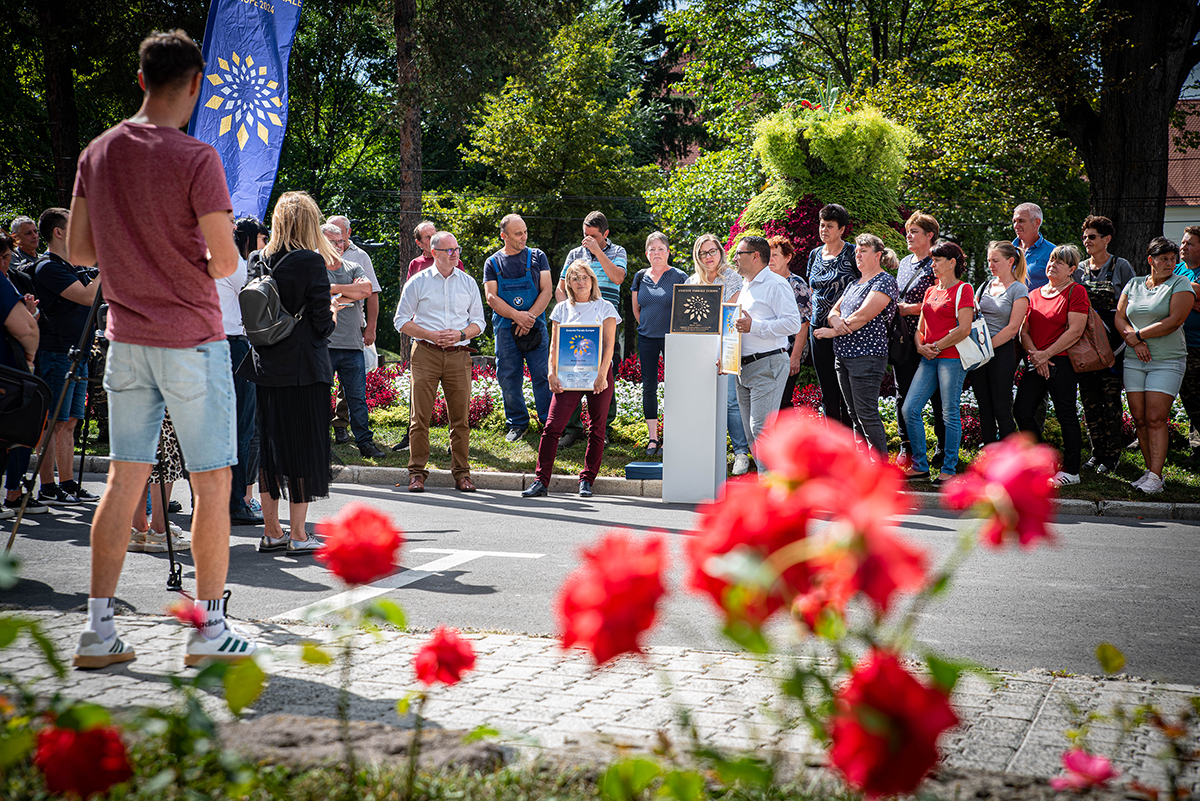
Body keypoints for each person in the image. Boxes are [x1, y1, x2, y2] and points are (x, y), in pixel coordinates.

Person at [68, 29, 264, 667]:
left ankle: (98, 629)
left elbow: (80, 250)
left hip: (125, 339)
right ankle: (208, 630)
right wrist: (184, 262)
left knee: (123, 478)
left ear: (142, 80)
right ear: (197, 84)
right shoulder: (197, 158)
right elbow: (227, 259)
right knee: (212, 480)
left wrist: (135, 258)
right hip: (192, 341)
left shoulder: (98, 152)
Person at [238, 192, 338, 551]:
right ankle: (298, 534)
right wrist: (333, 311)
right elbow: (322, 325)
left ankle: (271, 531)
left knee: (271, 450)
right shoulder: (310, 261)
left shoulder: (257, 258)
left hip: (266, 365)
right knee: (302, 449)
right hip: (304, 369)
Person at [394, 230, 485, 493]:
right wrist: (430, 335)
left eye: (457, 249)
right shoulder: (418, 282)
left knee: (460, 419)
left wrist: (461, 334)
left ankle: (462, 474)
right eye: (449, 250)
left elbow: (479, 323)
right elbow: (400, 321)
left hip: (459, 354)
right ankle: (416, 473)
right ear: (434, 252)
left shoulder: (468, 282)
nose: (455, 254)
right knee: (419, 418)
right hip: (426, 353)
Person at [522, 261, 618, 498]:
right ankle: (541, 480)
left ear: (592, 280)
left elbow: (609, 346)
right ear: (569, 284)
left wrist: (602, 375)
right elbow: (554, 345)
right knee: (552, 427)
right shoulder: (561, 309)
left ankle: (587, 480)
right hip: (568, 376)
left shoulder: (605, 307)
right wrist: (551, 372)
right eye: (575, 278)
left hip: (598, 376)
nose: (580, 282)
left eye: (584, 277)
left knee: (597, 428)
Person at [33, 207, 101, 506]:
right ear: (58, 232)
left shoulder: (72, 266)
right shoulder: (48, 267)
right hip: (57, 351)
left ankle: (67, 483)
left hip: (78, 351)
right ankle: (48, 486)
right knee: (53, 421)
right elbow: (87, 296)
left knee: (70, 421)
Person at [1115, 237, 1194, 494]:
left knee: (1155, 417)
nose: (1170, 263)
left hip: (1167, 360)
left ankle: (1156, 475)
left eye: (1173, 259)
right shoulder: (1134, 283)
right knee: (1139, 418)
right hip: (1134, 359)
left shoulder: (1180, 283)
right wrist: (1135, 342)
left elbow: (1174, 320)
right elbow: (1120, 317)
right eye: (1163, 259)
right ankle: (1151, 474)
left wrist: (1138, 336)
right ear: (1151, 260)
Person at [813, 233, 898, 457]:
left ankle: (880, 468)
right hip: (843, 356)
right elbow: (833, 311)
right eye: (857, 251)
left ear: (877, 255)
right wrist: (835, 320)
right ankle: (862, 467)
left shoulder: (884, 281)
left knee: (866, 414)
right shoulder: (853, 283)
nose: (857, 255)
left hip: (867, 356)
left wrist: (833, 331)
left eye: (863, 251)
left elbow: (862, 316)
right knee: (853, 414)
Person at [1014, 245, 1090, 486]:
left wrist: (1046, 355)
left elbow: (1075, 331)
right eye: (1051, 260)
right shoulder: (1034, 294)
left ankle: (1071, 471)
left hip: (1063, 362)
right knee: (1021, 411)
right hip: (1037, 360)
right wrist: (1037, 356)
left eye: (1060, 262)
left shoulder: (1076, 292)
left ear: (1072, 269)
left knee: (1065, 414)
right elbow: (1023, 331)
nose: (1052, 265)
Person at [901, 241, 974, 484]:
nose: (932, 264)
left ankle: (949, 469)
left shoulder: (964, 289)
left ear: (952, 263)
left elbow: (964, 329)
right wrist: (921, 346)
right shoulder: (930, 291)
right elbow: (920, 328)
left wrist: (936, 347)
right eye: (932, 260)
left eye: (937, 260)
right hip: (929, 358)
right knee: (909, 409)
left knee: (949, 413)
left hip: (951, 359)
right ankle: (920, 467)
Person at [557, 211, 626, 446]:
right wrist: (566, 312)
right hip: (577, 324)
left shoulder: (618, 252)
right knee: (572, 372)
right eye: (585, 234)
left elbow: (618, 278)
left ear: (605, 234)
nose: (587, 240)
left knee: (605, 373)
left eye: (593, 236)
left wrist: (597, 252)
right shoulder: (575, 254)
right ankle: (572, 429)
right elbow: (561, 288)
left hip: (605, 323)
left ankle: (602, 429)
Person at [686, 233, 751, 474]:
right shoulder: (692, 282)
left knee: (731, 402)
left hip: (727, 344)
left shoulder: (732, 278)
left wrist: (724, 349)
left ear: (720, 252)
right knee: (702, 401)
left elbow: (730, 315)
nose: (708, 257)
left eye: (712, 251)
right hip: (699, 349)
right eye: (703, 253)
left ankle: (740, 453)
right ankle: (706, 453)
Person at [730, 235, 802, 452]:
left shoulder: (776, 284)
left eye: (739, 254)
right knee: (752, 434)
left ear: (755, 256)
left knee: (761, 430)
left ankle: (772, 475)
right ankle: (768, 474)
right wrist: (726, 356)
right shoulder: (745, 285)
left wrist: (755, 326)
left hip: (767, 365)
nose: (734, 258)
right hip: (742, 368)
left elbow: (793, 324)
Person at [484, 214, 552, 443]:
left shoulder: (538, 257)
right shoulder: (492, 263)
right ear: (503, 236)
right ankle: (517, 423)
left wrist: (529, 318)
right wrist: (517, 316)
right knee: (508, 377)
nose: (524, 237)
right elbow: (491, 297)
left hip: (535, 326)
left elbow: (547, 290)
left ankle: (548, 422)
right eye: (518, 234)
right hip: (506, 329)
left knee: (542, 375)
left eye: (525, 232)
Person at [320, 223, 386, 458]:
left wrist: (332, 290)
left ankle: (365, 443)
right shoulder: (315, 268)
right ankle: (320, 444)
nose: (340, 245)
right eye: (333, 242)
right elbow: (315, 295)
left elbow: (366, 290)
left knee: (357, 398)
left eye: (341, 241)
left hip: (352, 344)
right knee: (320, 398)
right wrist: (351, 292)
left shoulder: (354, 266)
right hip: (324, 344)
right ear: (321, 242)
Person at [1076, 215, 1135, 473]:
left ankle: (1112, 456)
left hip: (1113, 348)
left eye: (1092, 237)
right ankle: (1096, 453)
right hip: (1086, 347)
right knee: (1089, 402)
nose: (1086, 241)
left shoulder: (1121, 266)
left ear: (1107, 239)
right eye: (1084, 237)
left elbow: (1132, 302)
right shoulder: (1079, 270)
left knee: (1110, 402)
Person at [220, 217, 263, 526]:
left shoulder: (209, 257)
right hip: (233, 346)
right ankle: (236, 503)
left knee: (219, 430)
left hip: (211, 345)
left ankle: (210, 502)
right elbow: (258, 298)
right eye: (262, 240)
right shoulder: (235, 263)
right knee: (241, 429)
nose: (265, 247)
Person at [894, 211, 945, 465]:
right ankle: (907, 445)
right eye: (908, 232)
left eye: (914, 232)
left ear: (929, 236)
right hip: (903, 339)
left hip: (930, 338)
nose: (908, 236)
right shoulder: (905, 263)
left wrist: (911, 309)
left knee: (937, 395)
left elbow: (943, 298)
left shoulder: (937, 262)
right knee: (902, 392)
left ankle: (942, 446)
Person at [631, 232, 688, 456]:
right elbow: (637, 310)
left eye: (660, 249)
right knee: (649, 386)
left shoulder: (679, 276)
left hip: (672, 339)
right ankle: (653, 438)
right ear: (646, 253)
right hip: (646, 338)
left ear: (668, 252)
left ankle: (671, 436)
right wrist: (648, 326)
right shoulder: (639, 277)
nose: (656, 253)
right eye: (652, 249)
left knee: (674, 386)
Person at [0, 232, 43, 520]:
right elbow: (26, 330)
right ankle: (13, 492)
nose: (6, 264)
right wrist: (28, 361)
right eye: (3, 258)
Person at [971, 242, 1030, 445]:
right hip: (980, 352)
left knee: (1002, 406)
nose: (991, 265)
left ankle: (1009, 453)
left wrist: (986, 348)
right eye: (989, 260)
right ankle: (989, 451)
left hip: (1001, 352)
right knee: (984, 406)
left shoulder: (1018, 289)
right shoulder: (985, 286)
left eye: (995, 261)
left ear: (1010, 261)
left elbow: (1013, 328)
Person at [805, 204, 858, 427]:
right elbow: (812, 289)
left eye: (829, 226)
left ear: (842, 229)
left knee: (847, 390)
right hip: (817, 330)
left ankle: (852, 440)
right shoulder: (815, 254)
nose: (824, 230)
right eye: (821, 225)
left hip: (845, 329)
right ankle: (832, 441)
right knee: (827, 390)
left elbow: (862, 287)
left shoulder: (853, 253)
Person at [767, 236, 812, 415]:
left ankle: (789, 434)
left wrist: (795, 357)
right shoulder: (764, 282)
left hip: (788, 352)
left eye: (775, 255)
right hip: (767, 352)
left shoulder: (796, 285)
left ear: (787, 258)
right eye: (768, 255)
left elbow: (804, 324)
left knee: (783, 402)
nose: (770, 259)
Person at [1174, 225, 1200, 464]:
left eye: (1190, 243)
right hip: (1181, 345)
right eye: (1183, 242)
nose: (1183, 247)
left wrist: (1179, 291)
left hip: (1198, 345)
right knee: (1190, 397)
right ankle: (1197, 448)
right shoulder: (1179, 269)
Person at [1012, 202, 1056, 290]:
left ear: (1037, 222)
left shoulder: (1052, 252)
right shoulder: (1007, 250)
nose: (1016, 226)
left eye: (1021, 221)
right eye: (1014, 221)